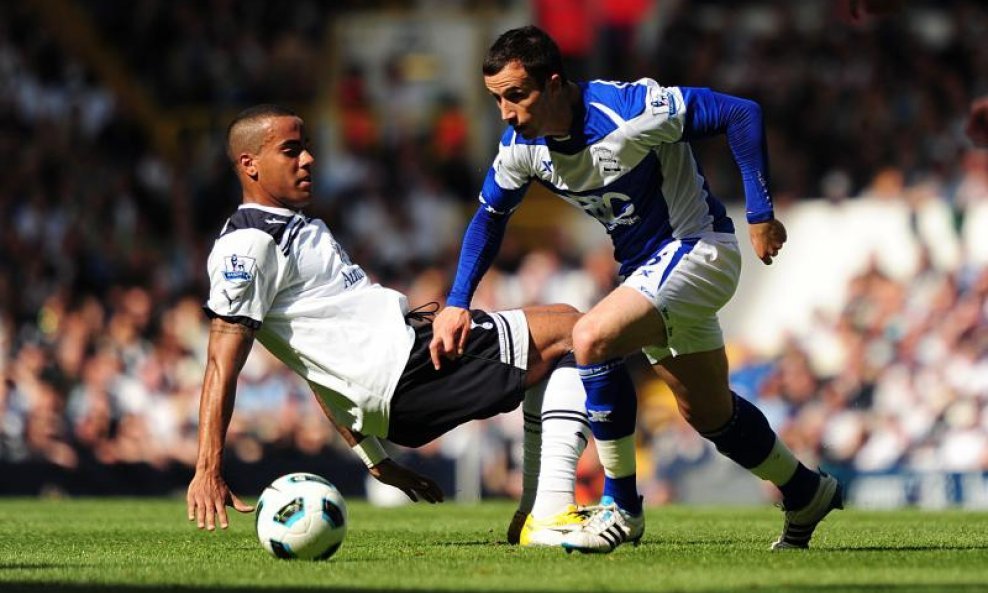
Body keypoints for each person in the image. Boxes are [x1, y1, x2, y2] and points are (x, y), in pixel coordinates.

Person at [430, 26, 842, 553]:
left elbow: (741, 113)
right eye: (497, 100)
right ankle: (805, 490)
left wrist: (760, 213)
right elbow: (489, 218)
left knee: (591, 336)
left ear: (554, 84)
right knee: (709, 414)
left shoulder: (629, 109)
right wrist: (458, 302)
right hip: (648, 274)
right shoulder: (521, 148)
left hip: (699, 249)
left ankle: (621, 506)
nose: (506, 113)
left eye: (516, 95)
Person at [185, 104, 593, 548]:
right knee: (575, 327)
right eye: (291, 150)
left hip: (400, 372)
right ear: (250, 165)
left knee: (560, 344)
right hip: (405, 367)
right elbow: (220, 362)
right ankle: (561, 511)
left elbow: (315, 367)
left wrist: (377, 462)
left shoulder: (289, 229)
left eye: (306, 148)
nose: (308, 159)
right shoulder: (250, 245)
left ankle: (537, 511)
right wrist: (207, 468)